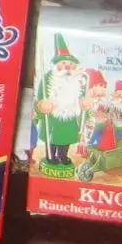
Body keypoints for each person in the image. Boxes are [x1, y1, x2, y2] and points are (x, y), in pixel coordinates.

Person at [33, 35, 87, 167]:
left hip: (70, 115)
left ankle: (63, 156)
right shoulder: (49, 78)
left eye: (71, 64)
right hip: (53, 115)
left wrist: (84, 102)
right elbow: (40, 96)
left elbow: (81, 95)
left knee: (66, 138)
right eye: (63, 63)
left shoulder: (78, 80)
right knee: (52, 138)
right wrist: (42, 105)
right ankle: (51, 156)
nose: (68, 66)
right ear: (56, 64)